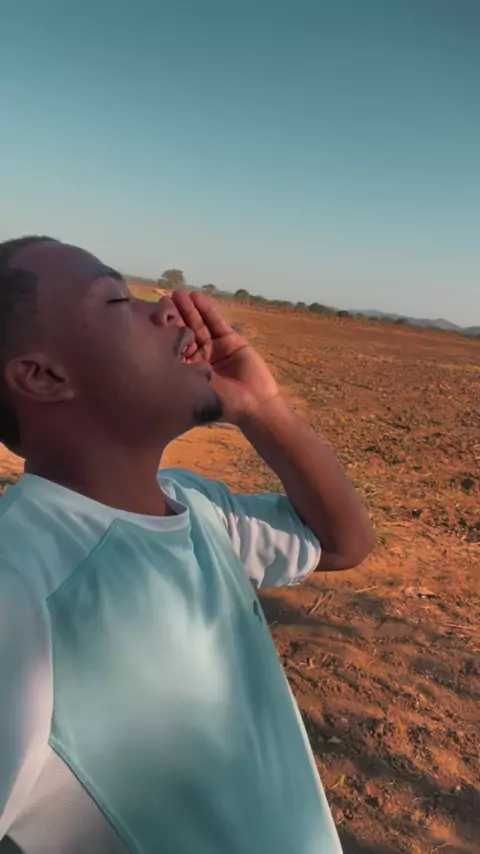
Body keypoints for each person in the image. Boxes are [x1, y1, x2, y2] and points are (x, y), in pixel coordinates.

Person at [0, 236, 374, 854]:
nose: (170, 308)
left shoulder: (197, 507)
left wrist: (262, 407)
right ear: (43, 376)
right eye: (117, 299)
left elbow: (342, 542)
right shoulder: (17, 584)